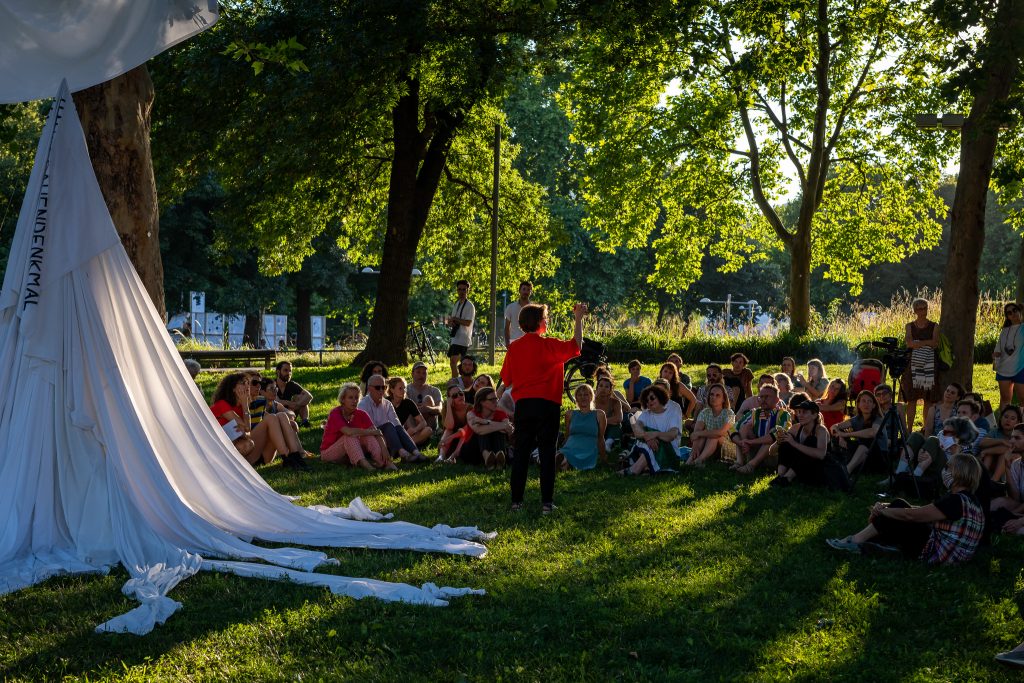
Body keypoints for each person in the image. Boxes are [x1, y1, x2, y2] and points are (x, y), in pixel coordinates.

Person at [500, 301, 586, 514]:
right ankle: (547, 503)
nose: (547, 321)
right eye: (545, 318)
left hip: (524, 406)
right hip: (548, 405)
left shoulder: (515, 348)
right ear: (539, 323)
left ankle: (516, 502)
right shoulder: (550, 345)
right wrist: (578, 319)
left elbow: (507, 379)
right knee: (548, 453)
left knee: (521, 453)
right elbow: (577, 345)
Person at [826, 453, 984, 565]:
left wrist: (884, 511)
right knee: (897, 508)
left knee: (900, 507)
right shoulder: (971, 502)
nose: (944, 471)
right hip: (952, 555)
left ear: (959, 473)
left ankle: (855, 541)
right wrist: (887, 507)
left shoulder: (955, 501)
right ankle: (871, 543)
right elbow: (923, 510)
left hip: (937, 554)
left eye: (948, 468)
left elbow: (911, 515)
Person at [896, 416, 979, 497]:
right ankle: (898, 475)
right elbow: (929, 446)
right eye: (944, 431)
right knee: (916, 436)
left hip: (942, 476)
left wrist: (955, 451)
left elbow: (959, 473)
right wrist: (922, 450)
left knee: (933, 440)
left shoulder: (966, 450)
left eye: (948, 433)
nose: (943, 434)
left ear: (959, 435)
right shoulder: (940, 436)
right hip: (926, 466)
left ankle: (913, 480)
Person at [320, 383, 395, 471]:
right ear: (343, 399)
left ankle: (383, 462)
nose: (354, 401)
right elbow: (348, 432)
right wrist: (370, 432)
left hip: (351, 449)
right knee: (349, 436)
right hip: (329, 452)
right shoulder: (335, 413)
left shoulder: (361, 414)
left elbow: (377, 433)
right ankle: (367, 466)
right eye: (350, 397)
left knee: (369, 436)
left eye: (356, 397)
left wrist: (384, 448)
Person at [358, 375, 427, 463]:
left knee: (398, 427)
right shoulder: (363, 404)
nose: (381, 390)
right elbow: (368, 428)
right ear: (369, 389)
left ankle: (416, 452)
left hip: (388, 435)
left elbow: (397, 424)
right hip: (370, 436)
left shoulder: (387, 404)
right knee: (389, 425)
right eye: (378, 387)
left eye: (384, 387)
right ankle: (403, 454)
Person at [901, 297, 941, 431]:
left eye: (924, 308)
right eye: (919, 308)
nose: (922, 311)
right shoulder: (909, 326)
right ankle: (909, 428)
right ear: (914, 310)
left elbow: (935, 343)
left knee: (928, 399)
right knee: (911, 398)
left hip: (929, 365)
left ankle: (926, 428)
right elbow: (909, 343)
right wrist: (925, 342)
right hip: (913, 366)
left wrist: (920, 343)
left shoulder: (934, 326)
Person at [622, 384, 682, 474]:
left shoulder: (672, 413)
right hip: (653, 447)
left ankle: (635, 469)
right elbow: (637, 428)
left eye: (652, 398)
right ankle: (645, 467)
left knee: (656, 441)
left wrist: (656, 434)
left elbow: (672, 435)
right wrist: (648, 437)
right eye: (646, 400)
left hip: (670, 453)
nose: (649, 401)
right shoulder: (646, 414)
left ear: (660, 397)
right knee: (647, 440)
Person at [771, 399, 829, 487]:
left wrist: (794, 443)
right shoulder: (795, 428)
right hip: (801, 467)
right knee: (786, 442)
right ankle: (780, 476)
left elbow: (821, 455)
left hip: (819, 469)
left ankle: (787, 478)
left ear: (814, 415)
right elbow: (771, 452)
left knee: (809, 441)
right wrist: (779, 441)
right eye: (799, 412)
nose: (800, 415)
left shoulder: (821, 430)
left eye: (804, 412)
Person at [733, 384, 789, 474]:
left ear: (777, 400)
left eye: (767, 397)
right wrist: (743, 442)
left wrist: (750, 442)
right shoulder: (755, 413)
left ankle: (750, 466)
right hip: (754, 450)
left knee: (772, 436)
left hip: (774, 456)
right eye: (761, 397)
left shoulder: (784, 415)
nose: (763, 400)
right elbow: (733, 429)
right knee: (743, 427)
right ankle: (739, 463)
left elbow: (775, 436)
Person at [558, 384, 607, 471]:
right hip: (570, 447)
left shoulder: (599, 414)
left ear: (591, 397)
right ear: (576, 398)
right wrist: (563, 448)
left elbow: (601, 438)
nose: (583, 397)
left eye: (586, 394)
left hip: (588, 450)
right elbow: (567, 435)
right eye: (579, 395)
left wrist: (604, 459)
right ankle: (562, 461)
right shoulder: (570, 414)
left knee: (566, 460)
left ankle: (564, 463)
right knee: (563, 455)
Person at [209, 372, 257, 463]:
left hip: (228, 440)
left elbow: (247, 431)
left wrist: (245, 405)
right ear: (233, 389)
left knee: (248, 444)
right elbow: (247, 428)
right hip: (211, 441)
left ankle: (233, 467)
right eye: (243, 383)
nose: (247, 386)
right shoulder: (222, 404)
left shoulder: (241, 406)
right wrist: (245, 404)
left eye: (248, 383)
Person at [461, 387, 514, 468]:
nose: (496, 402)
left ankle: (499, 457)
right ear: (482, 402)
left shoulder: (501, 413)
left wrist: (484, 421)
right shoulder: (471, 414)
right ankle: (487, 458)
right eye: (492, 400)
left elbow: (506, 430)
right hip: (473, 451)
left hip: (494, 447)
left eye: (496, 399)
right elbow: (478, 430)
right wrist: (500, 425)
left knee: (497, 431)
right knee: (484, 430)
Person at [833, 390, 882, 476]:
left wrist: (847, 434)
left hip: (877, 456)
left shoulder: (878, 419)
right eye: (863, 401)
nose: (866, 404)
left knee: (867, 440)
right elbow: (834, 427)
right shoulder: (857, 419)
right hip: (863, 455)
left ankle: (847, 470)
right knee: (838, 436)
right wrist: (841, 436)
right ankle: (841, 464)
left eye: (869, 401)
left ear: (874, 405)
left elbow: (872, 432)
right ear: (858, 404)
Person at [687, 383, 736, 467]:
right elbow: (695, 433)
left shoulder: (729, 413)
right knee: (704, 436)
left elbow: (720, 432)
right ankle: (691, 459)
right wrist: (694, 447)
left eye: (718, 395)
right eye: (712, 394)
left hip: (727, 446)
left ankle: (699, 460)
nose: (714, 397)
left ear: (724, 399)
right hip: (708, 446)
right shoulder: (705, 412)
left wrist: (699, 433)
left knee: (713, 436)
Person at [978, 405, 1022, 481]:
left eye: (1012, 418)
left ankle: (993, 482)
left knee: (1004, 455)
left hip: (1014, 461)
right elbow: (982, 442)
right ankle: (982, 479)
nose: (1008, 420)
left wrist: (986, 451)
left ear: (1018, 422)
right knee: (989, 455)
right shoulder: (996, 431)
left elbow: (1009, 448)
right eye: (1006, 417)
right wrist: (1001, 441)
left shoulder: (1017, 434)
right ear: (1001, 418)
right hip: (993, 461)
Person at [994, 302, 1024, 411]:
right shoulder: (1004, 331)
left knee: (1023, 399)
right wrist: (995, 360)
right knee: (1005, 399)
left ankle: (1021, 425)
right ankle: (1003, 425)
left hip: (1021, 368)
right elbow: (998, 350)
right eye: (1009, 313)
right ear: (1007, 316)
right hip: (1003, 369)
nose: (1013, 314)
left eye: (1015, 310)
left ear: (1020, 310)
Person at [387, 376, 433, 448]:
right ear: (392, 390)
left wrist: (414, 430)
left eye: (404, 388)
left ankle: (403, 446)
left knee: (428, 430)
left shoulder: (408, 403)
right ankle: (405, 445)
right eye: (400, 388)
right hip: (389, 435)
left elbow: (423, 422)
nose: (404, 390)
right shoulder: (386, 403)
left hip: (405, 434)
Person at [448, 279, 476, 378]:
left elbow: (468, 323)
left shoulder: (470, 306)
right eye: (459, 289)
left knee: (454, 363)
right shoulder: (457, 304)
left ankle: (457, 383)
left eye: (464, 289)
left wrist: (455, 319)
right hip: (456, 337)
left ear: (468, 291)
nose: (462, 292)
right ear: (457, 290)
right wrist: (451, 322)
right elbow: (455, 320)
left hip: (463, 339)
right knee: (455, 363)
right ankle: (459, 382)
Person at [274, 361, 313, 428]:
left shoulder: (291, 384)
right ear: (278, 372)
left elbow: (309, 396)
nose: (288, 373)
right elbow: (277, 402)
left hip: (291, 411)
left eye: (290, 371)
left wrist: (296, 405)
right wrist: (289, 403)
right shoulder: (273, 384)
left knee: (301, 398)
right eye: (285, 370)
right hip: (276, 414)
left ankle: (305, 421)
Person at [439, 385, 471, 462]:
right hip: (448, 442)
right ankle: (441, 456)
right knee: (448, 430)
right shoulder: (447, 407)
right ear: (450, 399)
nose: (459, 396)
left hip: (464, 441)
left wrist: (452, 437)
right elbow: (449, 426)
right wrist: (449, 406)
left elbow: (468, 428)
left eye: (461, 393)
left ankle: (453, 456)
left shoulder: (470, 408)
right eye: (455, 395)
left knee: (465, 433)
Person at [407, 361, 442, 431]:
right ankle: (416, 433)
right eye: (418, 372)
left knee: (428, 399)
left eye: (424, 373)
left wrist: (428, 408)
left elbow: (440, 409)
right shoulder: (406, 390)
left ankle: (428, 432)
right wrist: (418, 410)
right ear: (412, 374)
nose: (421, 376)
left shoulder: (434, 390)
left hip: (430, 424)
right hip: (413, 423)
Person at [594, 375, 625, 452]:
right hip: (594, 428)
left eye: (606, 387)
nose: (603, 389)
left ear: (611, 390)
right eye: (601, 386)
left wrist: (601, 421)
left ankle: (608, 444)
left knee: (617, 425)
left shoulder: (615, 402)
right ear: (597, 388)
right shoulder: (591, 401)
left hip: (610, 428)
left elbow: (619, 418)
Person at [503, 280, 533, 346]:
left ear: (531, 292)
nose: (526, 292)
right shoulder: (510, 307)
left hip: (529, 343)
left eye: (528, 290)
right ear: (519, 291)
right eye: (524, 289)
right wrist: (507, 344)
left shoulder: (533, 308)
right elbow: (507, 328)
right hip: (514, 342)